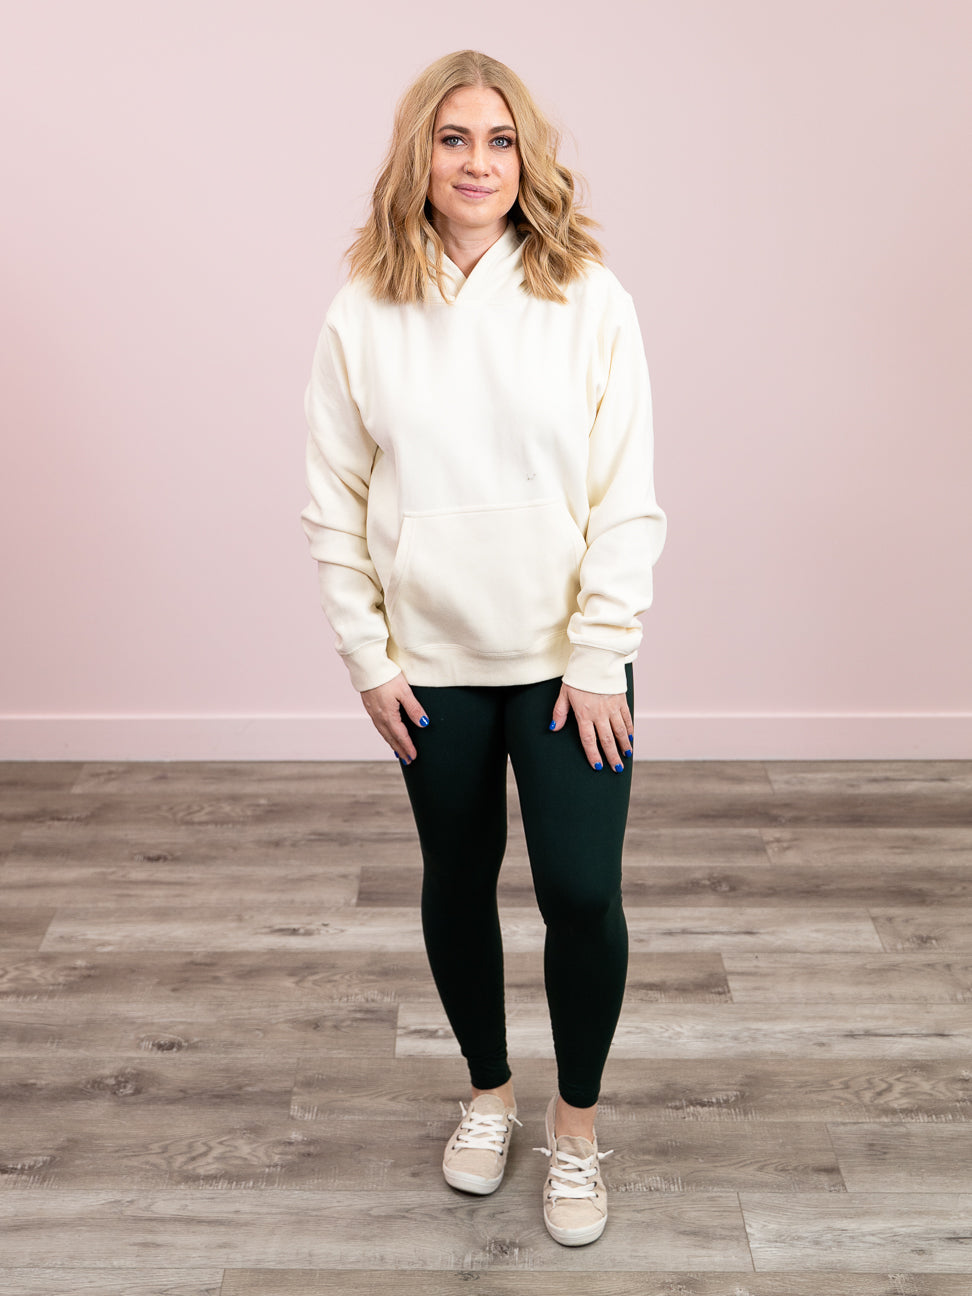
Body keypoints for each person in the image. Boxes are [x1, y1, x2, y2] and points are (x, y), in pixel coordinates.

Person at [301, 49, 666, 1247]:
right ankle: (490, 1096)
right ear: (420, 155)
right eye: (453, 138)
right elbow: (334, 501)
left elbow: (627, 497)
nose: (477, 162)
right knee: (458, 883)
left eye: (499, 139)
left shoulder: (590, 298)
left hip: (568, 666)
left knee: (580, 892)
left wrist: (602, 651)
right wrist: (369, 658)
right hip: (432, 669)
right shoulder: (363, 310)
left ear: (527, 158)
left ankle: (576, 1129)